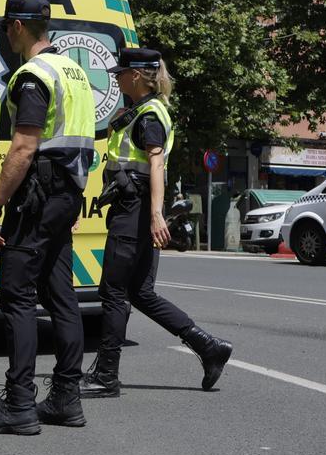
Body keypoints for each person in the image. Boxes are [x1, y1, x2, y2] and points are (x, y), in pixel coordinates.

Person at [0, 0, 95, 436]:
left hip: (37, 195)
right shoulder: (74, 71)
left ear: (20, 27)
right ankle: (66, 397)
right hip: (66, 193)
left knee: (17, 297)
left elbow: (24, 147)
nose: (5, 35)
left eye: (6, 27)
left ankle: (20, 404)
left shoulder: (32, 75)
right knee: (61, 295)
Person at [81, 48, 232, 397]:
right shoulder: (138, 112)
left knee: (114, 293)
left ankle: (106, 374)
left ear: (136, 76)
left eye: (120, 73)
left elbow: (157, 164)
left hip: (134, 212)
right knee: (140, 293)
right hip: (134, 209)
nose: (116, 78)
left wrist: (154, 216)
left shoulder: (148, 116)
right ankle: (209, 348)